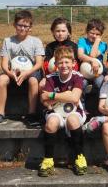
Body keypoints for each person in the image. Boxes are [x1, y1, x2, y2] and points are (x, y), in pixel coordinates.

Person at [0, 10, 44, 128]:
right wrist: (10, 74)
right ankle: (0, 115)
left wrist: (27, 73)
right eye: (20, 25)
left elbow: (39, 64)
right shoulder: (8, 41)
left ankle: (31, 114)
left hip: (31, 72)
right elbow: (4, 63)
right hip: (12, 72)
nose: (22, 28)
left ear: (30, 27)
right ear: (14, 25)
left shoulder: (36, 41)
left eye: (25, 26)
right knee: (1, 80)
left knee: (33, 81)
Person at [37, 46, 87, 177]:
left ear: (73, 63)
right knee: (51, 122)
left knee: (72, 120)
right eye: (60, 62)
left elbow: (75, 98)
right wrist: (67, 95)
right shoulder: (50, 78)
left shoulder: (78, 76)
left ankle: (79, 157)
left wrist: (53, 95)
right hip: (55, 112)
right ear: (56, 64)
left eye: (67, 62)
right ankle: (48, 159)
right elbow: (44, 101)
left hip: (75, 112)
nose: (64, 65)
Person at [77, 18, 108, 90]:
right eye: (92, 33)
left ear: (101, 35)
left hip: (97, 74)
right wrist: (92, 61)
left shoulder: (103, 45)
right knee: (82, 83)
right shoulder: (82, 41)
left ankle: (99, 100)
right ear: (87, 32)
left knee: (100, 82)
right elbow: (80, 55)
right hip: (84, 73)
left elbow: (93, 55)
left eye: (97, 34)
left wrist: (97, 41)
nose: (94, 36)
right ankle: (81, 101)